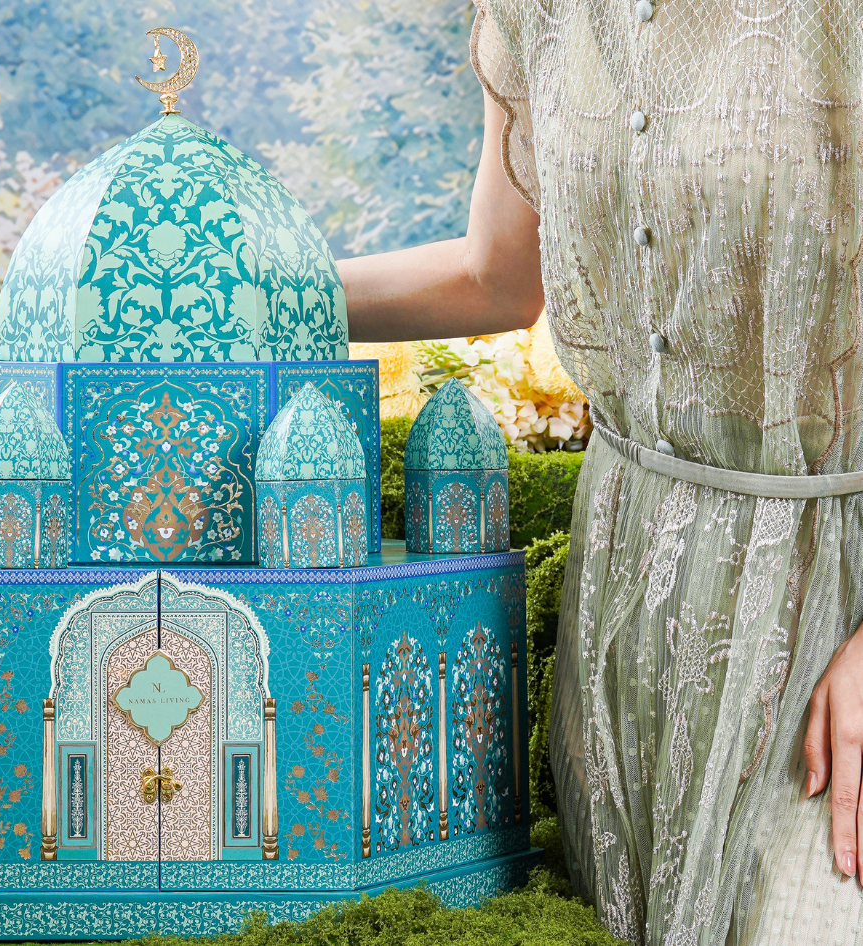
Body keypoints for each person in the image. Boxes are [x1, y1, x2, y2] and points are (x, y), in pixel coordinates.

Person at [337, 4, 863, 944]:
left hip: (834, 614)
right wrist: (254, 285)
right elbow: (496, 276)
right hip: (625, 602)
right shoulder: (541, 13)